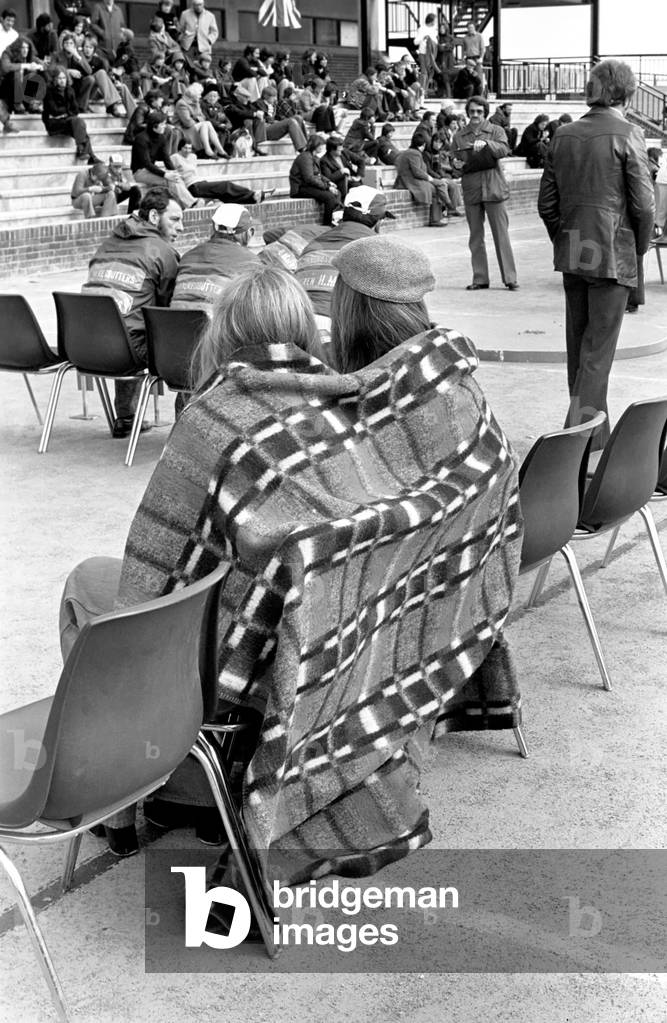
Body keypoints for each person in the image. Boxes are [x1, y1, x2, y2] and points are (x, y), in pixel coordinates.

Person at [60, 249, 522, 887]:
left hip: (213, 669)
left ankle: (129, 786)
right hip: (316, 655)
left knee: (88, 584)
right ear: (310, 330)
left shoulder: (211, 421)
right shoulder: (339, 412)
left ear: (220, 334)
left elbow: (154, 571)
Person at [537, 58, 655, 450]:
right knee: (597, 354)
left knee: (581, 349)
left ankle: (594, 436)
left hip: (575, 250)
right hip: (612, 252)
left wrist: (566, 238)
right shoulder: (629, 133)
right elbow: (643, 205)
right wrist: (635, 252)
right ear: (625, 92)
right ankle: (579, 442)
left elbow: (546, 205)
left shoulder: (563, 134)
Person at [82, 185, 182, 440]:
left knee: (124, 324)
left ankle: (126, 416)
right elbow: (168, 308)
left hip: (83, 348)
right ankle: (188, 427)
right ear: (152, 217)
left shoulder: (106, 244)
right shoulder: (163, 252)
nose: (180, 228)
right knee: (187, 334)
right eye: (175, 219)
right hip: (126, 352)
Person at [294, 184, 393, 339]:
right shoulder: (377, 247)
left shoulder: (312, 244)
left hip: (299, 324)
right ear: (377, 222)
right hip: (341, 332)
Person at [452, 95, 518, 290]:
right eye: (472, 111)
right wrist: (455, 164)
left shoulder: (496, 130)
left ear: (485, 113)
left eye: (479, 112)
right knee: (475, 236)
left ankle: (510, 278)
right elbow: (453, 160)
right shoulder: (459, 135)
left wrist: (488, 144)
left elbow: (504, 149)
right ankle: (480, 278)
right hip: (472, 186)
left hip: (493, 186)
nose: (475, 115)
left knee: (501, 234)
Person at [171, 202, 260, 314]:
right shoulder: (250, 261)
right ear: (249, 233)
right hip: (215, 329)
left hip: (174, 328)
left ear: (214, 228)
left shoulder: (187, 257)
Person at [131, 108, 200, 208]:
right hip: (140, 172)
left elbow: (166, 158)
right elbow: (146, 163)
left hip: (151, 170)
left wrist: (174, 172)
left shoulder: (161, 137)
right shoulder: (141, 139)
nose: (165, 126)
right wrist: (165, 174)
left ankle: (184, 206)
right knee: (171, 180)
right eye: (162, 124)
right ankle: (192, 204)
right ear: (154, 126)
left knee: (175, 178)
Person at [169, 138, 268, 204]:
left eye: (189, 148)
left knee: (224, 196)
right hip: (192, 186)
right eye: (185, 148)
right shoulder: (175, 157)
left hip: (200, 183)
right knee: (225, 185)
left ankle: (252, 200)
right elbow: (170, 173)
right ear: (180, 148)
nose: (187, 150)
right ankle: (253, 194)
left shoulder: (193, 156)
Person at [42, 64, 98, 161]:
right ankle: (86, 154)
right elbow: (54, 111)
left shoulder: (70, 90)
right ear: (55, 79)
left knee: (80, 126)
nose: (62, 80)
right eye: (59, 78)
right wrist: (68, 112)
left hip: (67, 121)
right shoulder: (49, 91)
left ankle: (86, 153)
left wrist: (66, 113)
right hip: (53, 123)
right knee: (78, 123)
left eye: (64, 78)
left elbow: (76, 109)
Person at [394, 130, 446, 228]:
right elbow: (417, 171)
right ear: (422, 145)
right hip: (410, 182)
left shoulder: (408, 152)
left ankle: (438, 216)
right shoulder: (415, 153)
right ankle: (435, 218)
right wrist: (429, 178)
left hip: (407, 180)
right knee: (435, 189)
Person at [289, 132, 341, 225]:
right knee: (329, 197)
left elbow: (318, 175)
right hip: (300, 188)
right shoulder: (305, 157)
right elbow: (309, 178)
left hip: (308, 186)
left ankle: (334, 219)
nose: (322, 148)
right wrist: (327, 187)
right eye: (321, 145)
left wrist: (329, 183)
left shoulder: (313, 157)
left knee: (337, 193)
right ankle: (327, 224)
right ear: (315, 145)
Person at [174, 81, 227, 157]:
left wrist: (197, 119)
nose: (200, 96)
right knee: (205, 124)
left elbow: (203, 117)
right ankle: (214, 150)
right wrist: (198, 120)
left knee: (206, 123)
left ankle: (218, 150)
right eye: (199, 94)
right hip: (183, 129)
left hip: (193, 126)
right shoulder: (182, 103)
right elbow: (187, 122)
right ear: (193, 94)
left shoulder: (196, 102)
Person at [413, 11, 438, 96]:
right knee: (424, 72)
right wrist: (424, 38)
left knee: (430, 72)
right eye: (435, 20)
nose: (435, 22)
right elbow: (415, 42)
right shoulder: (422, 29)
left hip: (431, 54)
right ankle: (421, 91)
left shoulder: (434, 29)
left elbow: (435, 41)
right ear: (431, 20)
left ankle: (425, 90)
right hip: (423, 52)